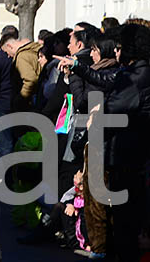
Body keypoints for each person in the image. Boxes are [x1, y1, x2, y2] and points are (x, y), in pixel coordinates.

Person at [59, 23, 150, 260]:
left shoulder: (137, 77)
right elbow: (104, 80)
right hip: (126, 155)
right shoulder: (132, 73)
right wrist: (78, 67)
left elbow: (112, 108)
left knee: (124, 224)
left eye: (120, 48)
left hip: (128, 158)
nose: (117, 52)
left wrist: (96, 118)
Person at [0, 34, 42, 110]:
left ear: (10, 46)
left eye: (7, 52)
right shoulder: (33, 51)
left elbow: (30, 79)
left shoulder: (21, 57)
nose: (8, 56)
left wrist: (21, 98)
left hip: (28, 103)